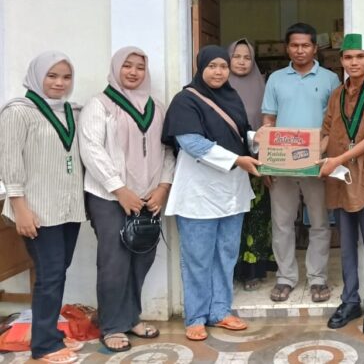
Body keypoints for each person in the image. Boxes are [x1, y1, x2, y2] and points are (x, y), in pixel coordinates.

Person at [162, 45, 262, 341]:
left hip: (232, 192)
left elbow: (241, 135)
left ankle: (220, 311)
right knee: (198, 257)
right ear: (201, 67)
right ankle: (196, 317)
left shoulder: (232, 97)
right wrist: (237, 160)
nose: (219, 72)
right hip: (198, 193)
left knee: (226, 254)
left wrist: (263, 140)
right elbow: (192, 143)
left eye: (223, 66)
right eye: (212, 66)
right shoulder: (185, 100)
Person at [79, 47, 174, 352]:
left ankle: (131, 317)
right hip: (109, 197)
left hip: (148, 197)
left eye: (140, 67)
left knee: (142, 258)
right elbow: (91, 150)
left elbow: (168, 150)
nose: (133, 72)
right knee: (114, 262)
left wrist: (163, 187)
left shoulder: (157, 108)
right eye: (127, 66)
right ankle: (111, 326)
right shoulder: (99, 105)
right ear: (116, 68)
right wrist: (119, 189)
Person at [0, 52, 86, 364]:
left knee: (57, 272)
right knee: (50, 274)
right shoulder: (18, 112)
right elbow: (9, 162)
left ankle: (48, 333)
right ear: (37, 76)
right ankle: (45, 346)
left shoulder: (71, 111)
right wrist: (20, 207)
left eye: (66, 77)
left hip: (68, 207)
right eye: (52, 76)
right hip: (37, 209)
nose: (59, 83)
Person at [261, 23, 340, 303]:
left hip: (316, 162)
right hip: (281, 163)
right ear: (287, 48)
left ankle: (317, 279)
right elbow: (268, 120)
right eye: (294, 45)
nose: (300, 50)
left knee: (319, 222)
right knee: (282, 222)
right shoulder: (276, 79)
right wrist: (266, 162)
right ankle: (285, 278)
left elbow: (334, 123)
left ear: (315, 48)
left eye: (305, 45)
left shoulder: (330, 79)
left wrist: (326, 158)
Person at [319, 34, 364, 334]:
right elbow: (326, 132)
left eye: (360, 56)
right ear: (341, 61)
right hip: (338, 178)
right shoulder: (336, 94)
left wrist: (337, 158)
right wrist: (311, 158)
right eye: (348, 57)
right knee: (346, 243)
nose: (354, 62)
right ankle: (350, 301)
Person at [227, 38, 276, 292]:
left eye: (247, 57)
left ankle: (253, 269)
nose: (242, 62)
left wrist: (268, 163)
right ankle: (231, 268)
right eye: (237, 57)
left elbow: (269, 126)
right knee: (231, 215)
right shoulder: (219, 87)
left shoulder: (262, 87)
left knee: (256, 216)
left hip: (257, 163)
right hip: (227, 164)